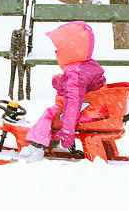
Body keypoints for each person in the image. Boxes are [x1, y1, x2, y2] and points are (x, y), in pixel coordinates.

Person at [20, 21, 106, 161]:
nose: (57, 53)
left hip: (84, 114)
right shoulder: (88, 65)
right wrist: (62, 81)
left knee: (49, 114)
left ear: (69, 50)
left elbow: (73, 102)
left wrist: (67, 131)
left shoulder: (75, 72)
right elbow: (82, 86)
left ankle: (36, 146)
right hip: (94, 108)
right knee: (56, 111)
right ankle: (51, 141)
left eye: (59, 49)